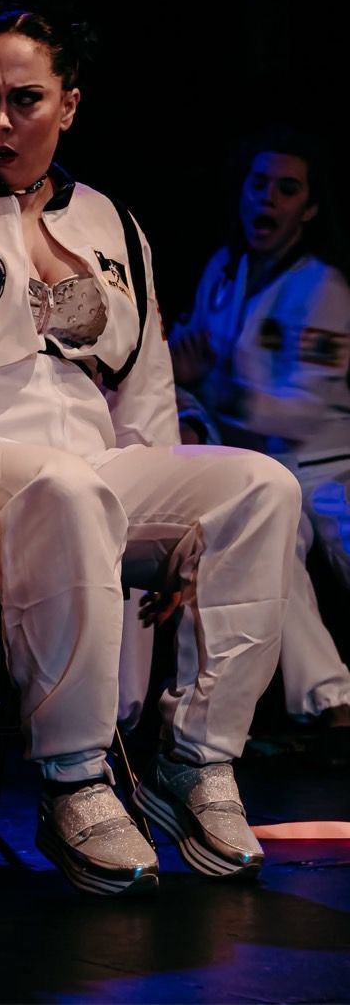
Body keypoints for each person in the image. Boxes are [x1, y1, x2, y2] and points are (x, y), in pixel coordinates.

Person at [0, 5, 306, 896]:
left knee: (259, 485)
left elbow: (145, 398)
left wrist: (172, 533)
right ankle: (74, 775)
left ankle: (196, 756)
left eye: (25, 99)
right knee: (68, 486)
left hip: (86, 466)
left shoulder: (112, 223)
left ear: (68, 105)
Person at [160, 128, 350, 758]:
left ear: (309, 208)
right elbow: (184, 357)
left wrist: (212, 381)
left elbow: (304, 407)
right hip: (260, 469)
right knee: (270, 543)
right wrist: (179, 371)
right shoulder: (224, 270)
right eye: (259, 184)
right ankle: (332, 703)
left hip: (327, 466)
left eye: (286, 189)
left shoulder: (320, 288)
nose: (267, 198)